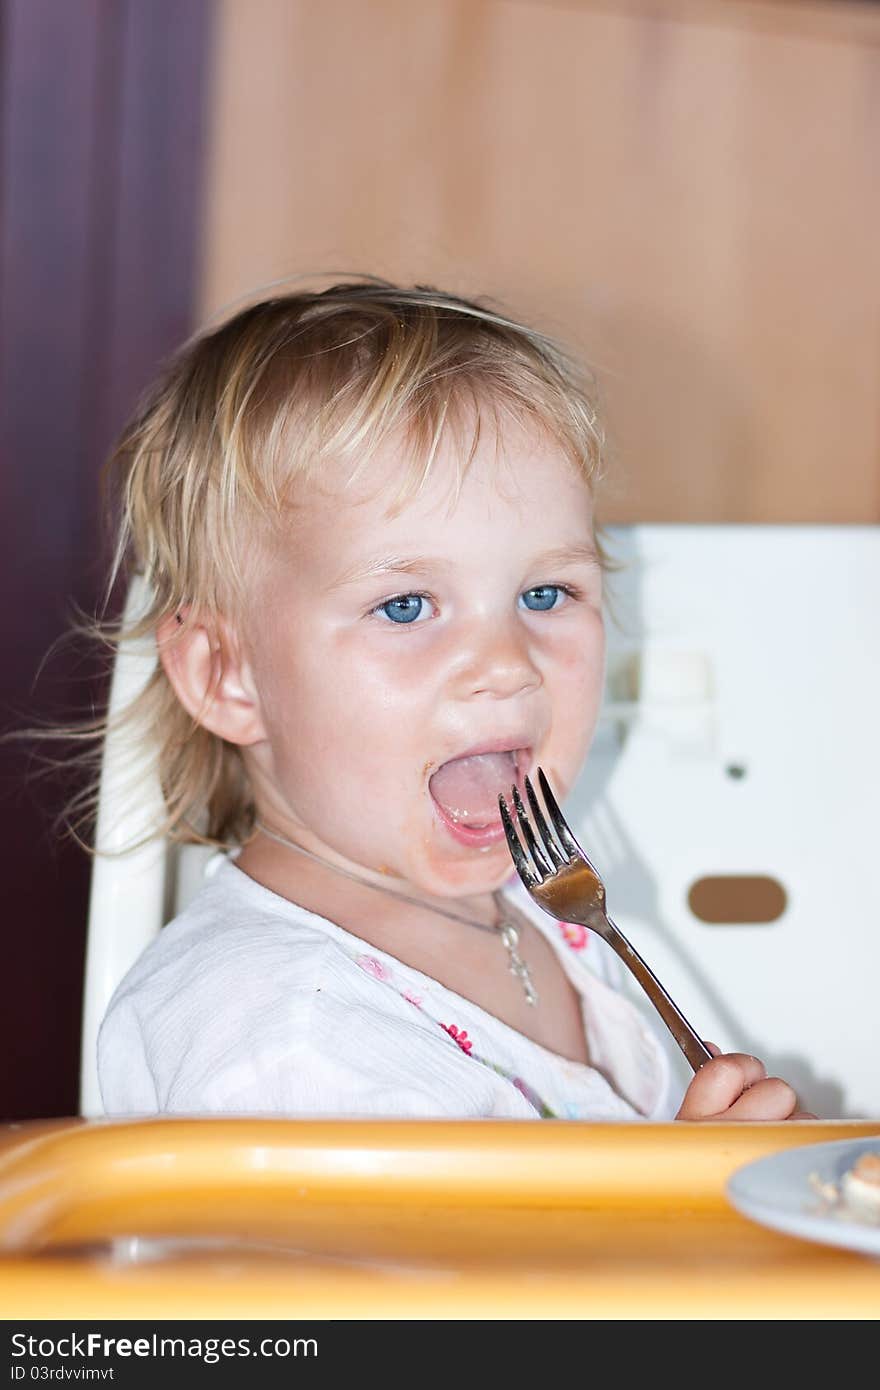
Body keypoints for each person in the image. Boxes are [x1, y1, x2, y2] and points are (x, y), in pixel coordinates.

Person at [58, 277, 812, 1121]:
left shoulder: (547, 922)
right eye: (406, 606)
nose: (506, 665)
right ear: (225, 676)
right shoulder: (279, 1036)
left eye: (544, 594)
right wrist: (694, 1232)